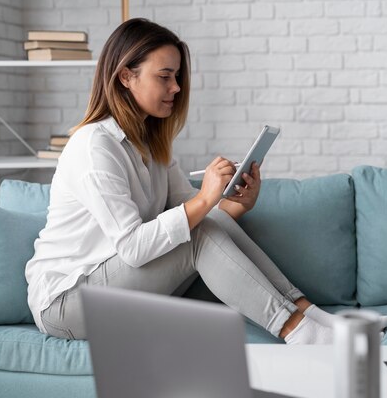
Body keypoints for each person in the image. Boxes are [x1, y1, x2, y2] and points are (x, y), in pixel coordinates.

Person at [26, 18, 355, 344]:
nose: (177, 88)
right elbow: (133, 248)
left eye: (177, 76)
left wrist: (236, 205)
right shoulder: (94, 146)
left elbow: (199, 216)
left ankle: (308, 313)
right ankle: (299, 332)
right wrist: (205, 199)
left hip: (115, 286)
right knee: (196, 235)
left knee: (204, 227)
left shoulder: (152, 143)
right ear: (127, 76)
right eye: (165, 76)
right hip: (66, 303)